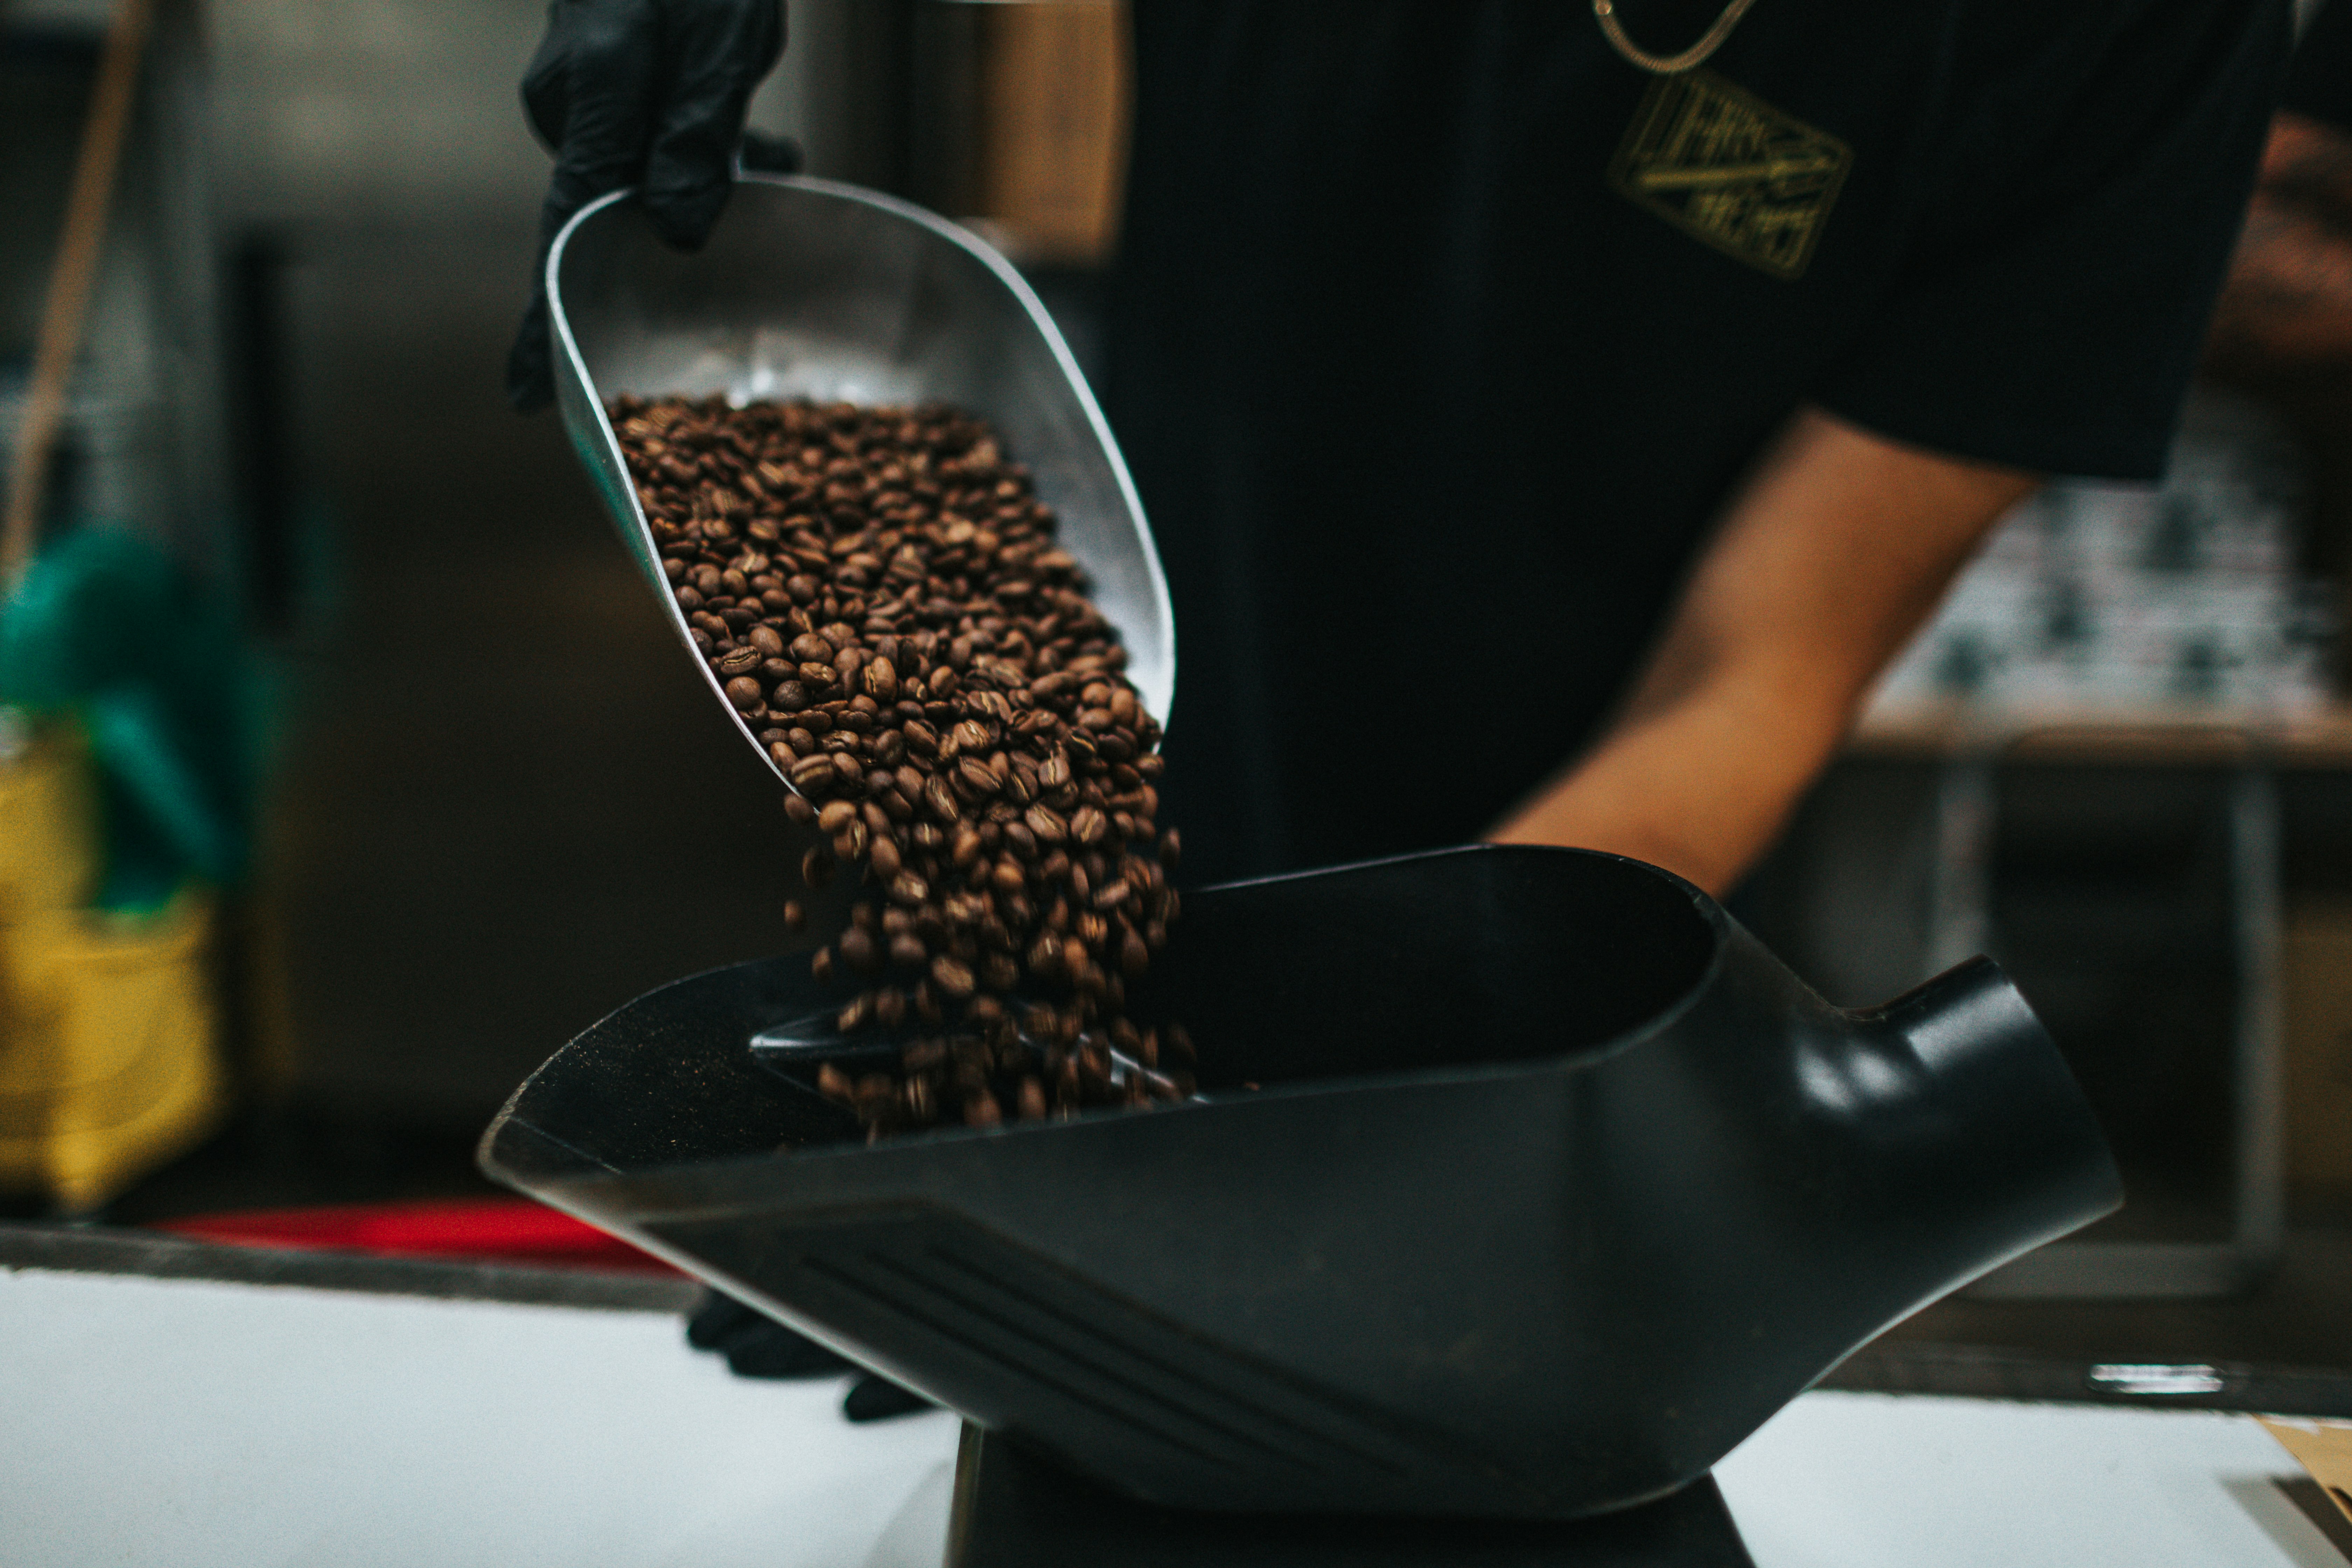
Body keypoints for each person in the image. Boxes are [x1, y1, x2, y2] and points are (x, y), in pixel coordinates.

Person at [510, 0, 2290, 900]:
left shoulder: (2126, 32)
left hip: (1593, 901)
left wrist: (1360, 1042)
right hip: (1113, 737)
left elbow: (1755, 679)